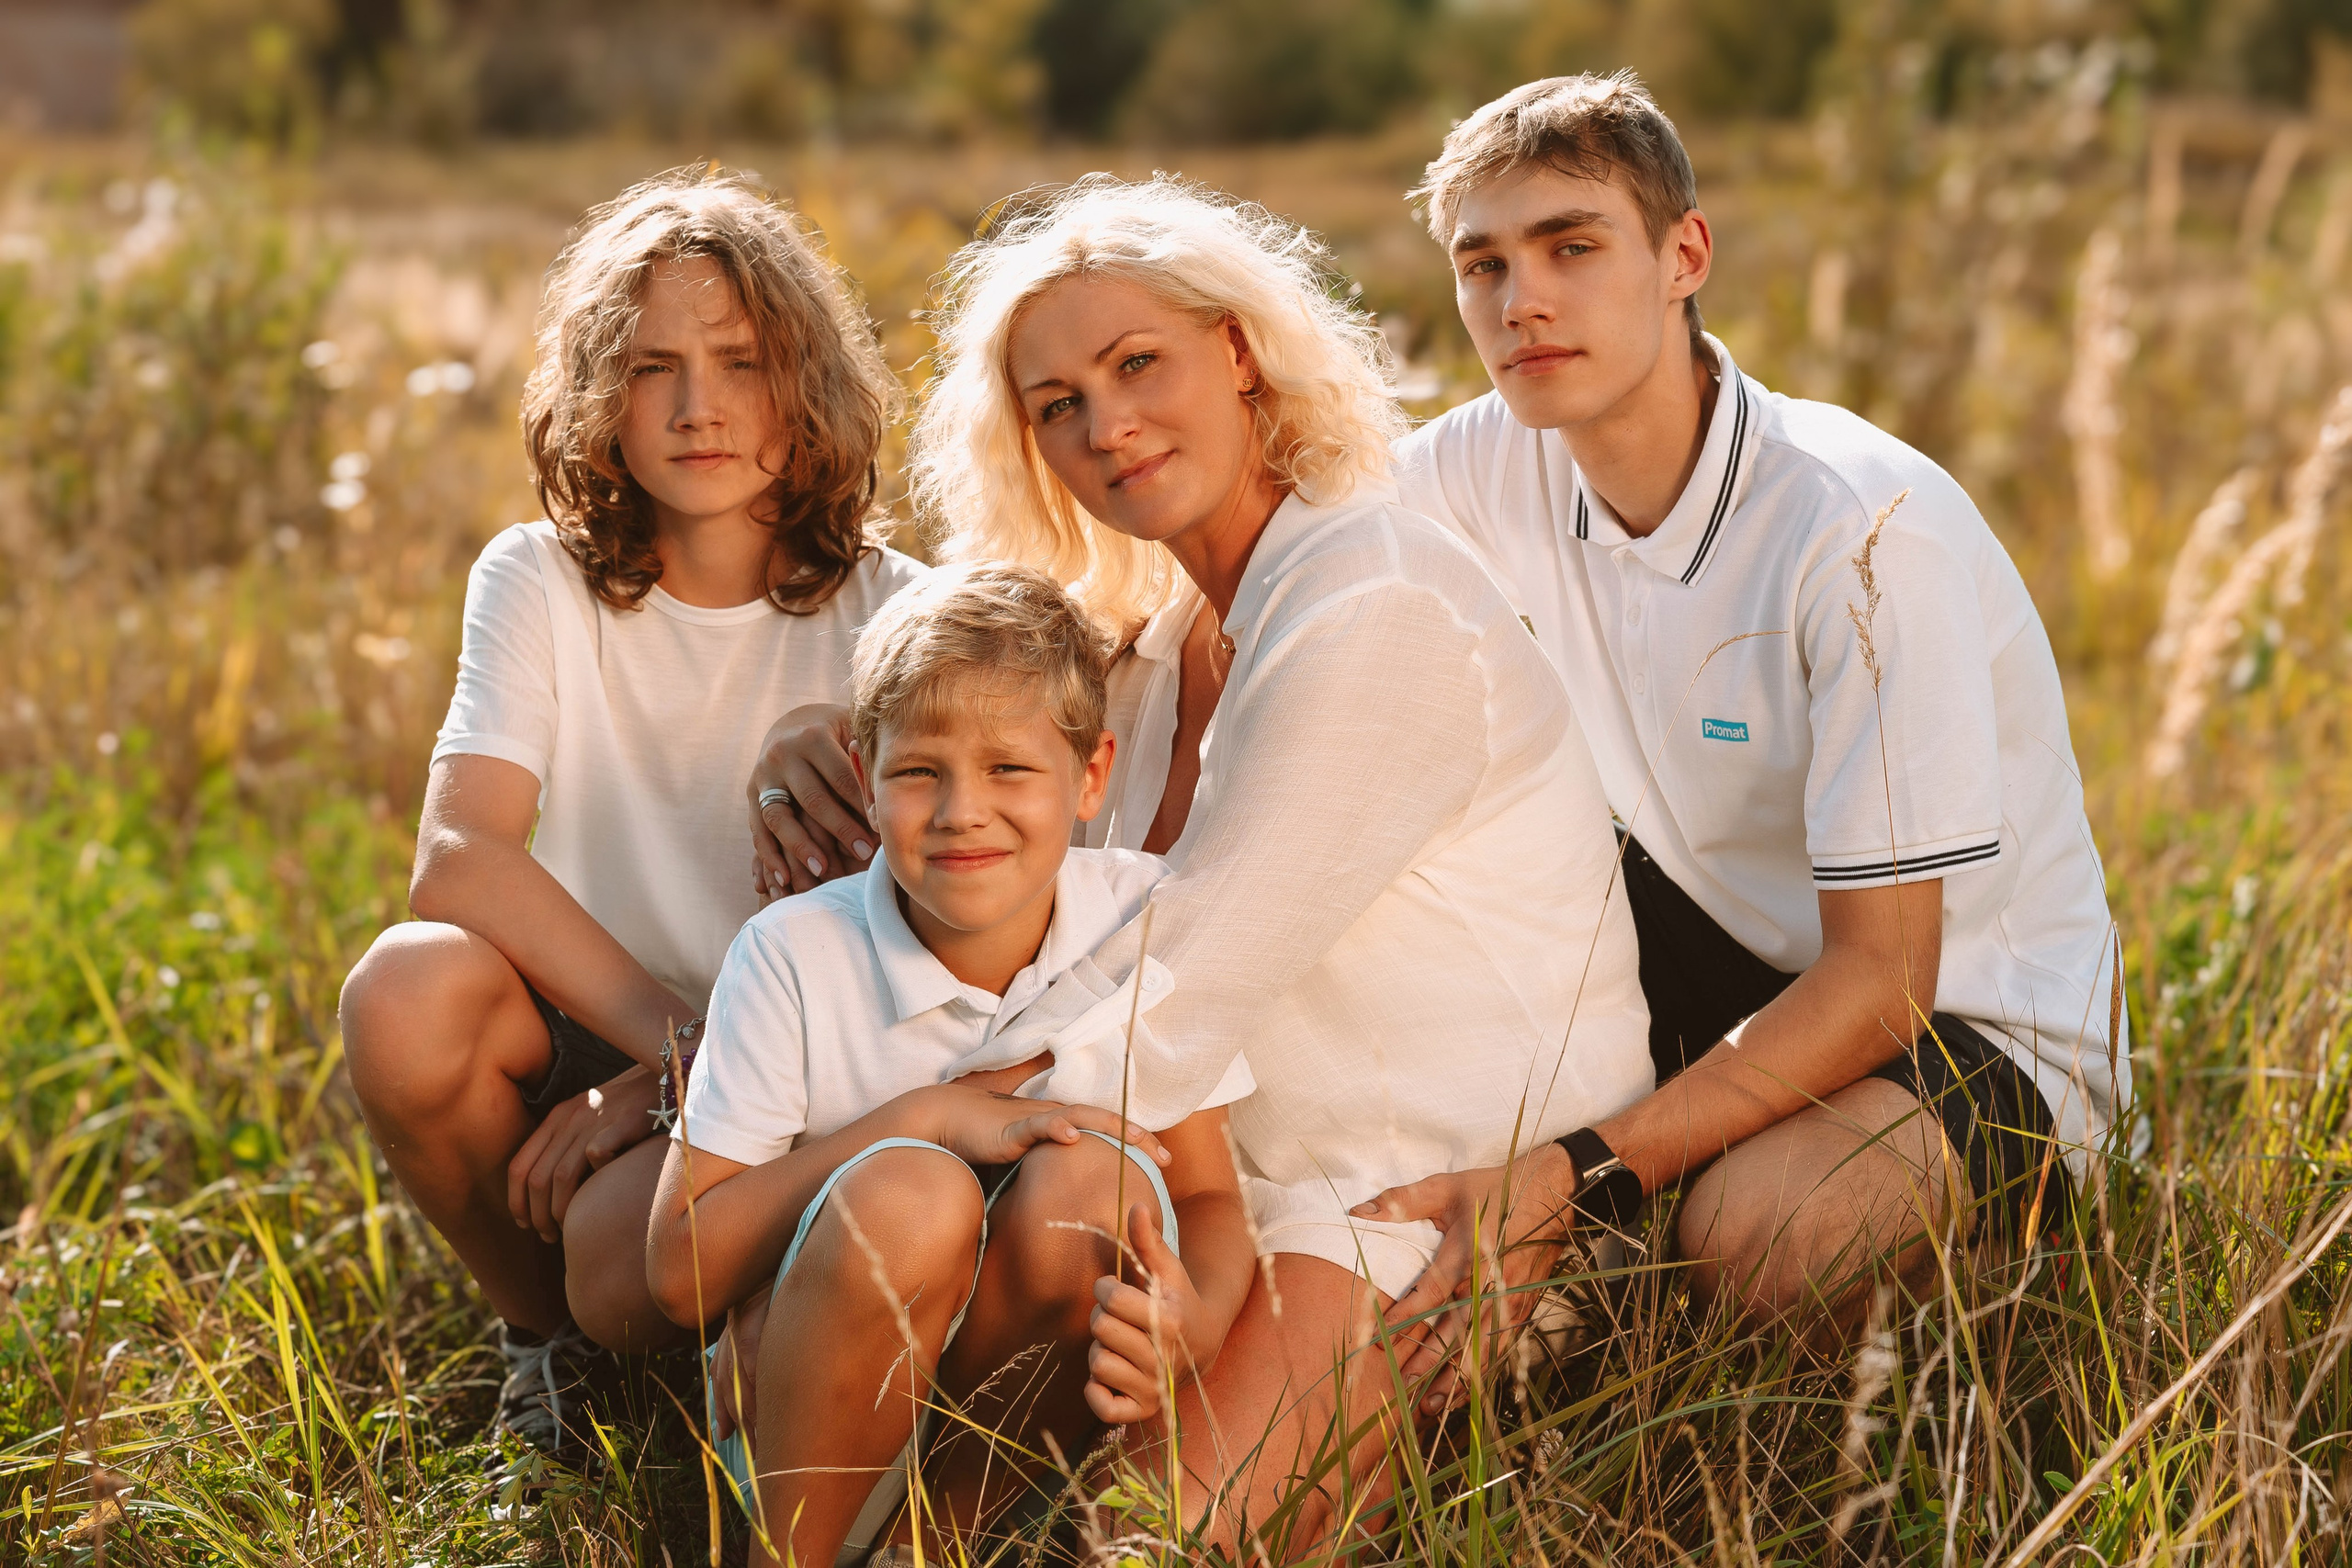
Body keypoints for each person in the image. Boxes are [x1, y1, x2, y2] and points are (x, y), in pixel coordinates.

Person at [749, 175, 1653, 1558]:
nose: (1107, 426)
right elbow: (1007, 850)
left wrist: (838, 1136)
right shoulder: (1167, 641)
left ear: (1237, 350)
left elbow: (1172, 993)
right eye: (1057, 404)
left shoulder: (1378, 606)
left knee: (1140, 1545)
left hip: (1421, 1198)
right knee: (1013, 1241)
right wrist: (815, 745)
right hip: (1215, 1184)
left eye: (1137, 364)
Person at [1356, 72, 2130, 1389]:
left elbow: (1883, 977)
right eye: (1482, 264)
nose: (1521, 300)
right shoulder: (1490, 455)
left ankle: (1900, 1397)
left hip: (1963, 1015)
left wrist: (1583, 1176)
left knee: (1757, 1234)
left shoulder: (1857, 527)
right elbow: (1274, 559)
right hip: (1721, 955)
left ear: (1684, 255)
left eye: (1572, 246)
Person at [335, 166, 925, 1467]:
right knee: (404, 992)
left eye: (742, 360)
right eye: (654, 365)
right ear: (602, 394)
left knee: (669, 1268)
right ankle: (543, 1339)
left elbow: (929, 936)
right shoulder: (539, 577)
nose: (700, 405)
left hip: (796, 1069)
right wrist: (663, 1057)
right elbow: (461, 854)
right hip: (598, 1022)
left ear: (808, 380)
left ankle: (702, 1321)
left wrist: (703, 1080)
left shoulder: (895, 608)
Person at [644, 562, 1259, 1568]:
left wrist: (1202, 1319)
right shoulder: (794, 954)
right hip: (816, 1408)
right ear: (863, 767)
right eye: (919, 771)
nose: (962, 811)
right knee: (910, 1192)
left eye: (1010, 769)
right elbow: (679, 1273)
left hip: (1014, 1435)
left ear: (1091, 774)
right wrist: (918, 1119)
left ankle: (935, 1550)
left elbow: (1208, 1193)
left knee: (1087, 1178)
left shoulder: (1145, 920)